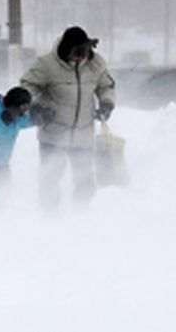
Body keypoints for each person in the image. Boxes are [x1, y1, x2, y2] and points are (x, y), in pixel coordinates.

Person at [20, 26, 116, 211]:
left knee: (85, 181)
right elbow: (28, 86)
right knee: (50, 180)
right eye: (75, 54)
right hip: (53, 133)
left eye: (83, 54)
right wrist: (36, 106)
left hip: (83, 134)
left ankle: (80, 216)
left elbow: (106, 86)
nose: (79, 59)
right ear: (66, 49)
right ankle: (50, 219)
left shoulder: (96, 64)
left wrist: (106, 103)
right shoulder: (46, 65)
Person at [0, 86, 50, 207]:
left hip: (1, 160)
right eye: (23, 109)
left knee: (4, 189)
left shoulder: (14, 117)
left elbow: (24, 121)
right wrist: (5, 117)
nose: (24, 113)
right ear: (12, 107)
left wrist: (39, 118)